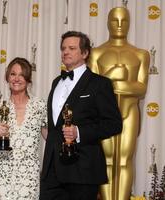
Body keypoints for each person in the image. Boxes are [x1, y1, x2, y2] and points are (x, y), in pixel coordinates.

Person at [40, 31, 123, 200]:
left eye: (72, 48)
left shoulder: (100, 84)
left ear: (85, 53)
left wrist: (79, 132)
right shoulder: (56, 82)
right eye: (63, 48)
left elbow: (114, 124)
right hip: (52, 170)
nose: (65, 52)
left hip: (82, 170)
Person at [88, 7, 149, 200]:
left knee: (124, 160)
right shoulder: (96, 53)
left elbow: (141, 88)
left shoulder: (141, 54)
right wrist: (119, 79)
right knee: (105, 160)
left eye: (125, 21)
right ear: (108, 23)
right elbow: (93, 89)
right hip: (103, 114)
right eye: (115, 21)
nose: (120, 25)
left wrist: (113, 81)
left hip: (129, 111)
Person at [0, 57, 47, 199]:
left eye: (21, 74)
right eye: (13, 74)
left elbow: (50, 137)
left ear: (28, 79)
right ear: (7, 77)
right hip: (0, 175)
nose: (16, 79)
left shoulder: (40, 106)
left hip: (28, 177)